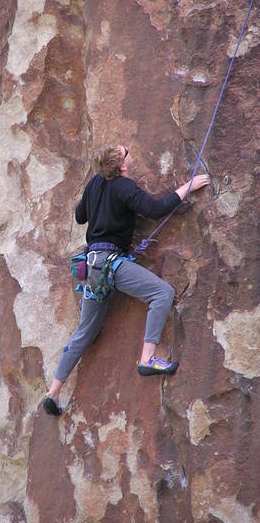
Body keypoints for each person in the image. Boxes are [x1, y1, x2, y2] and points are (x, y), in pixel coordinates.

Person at [43, 144, 210, 416]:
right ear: (122, 166)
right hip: (112, 264)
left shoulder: (95, 183)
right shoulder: (124, 187)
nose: (129, 153)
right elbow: (155, 209)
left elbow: (80, 216)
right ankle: (147, 358)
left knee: (85, 331)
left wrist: (96, 200)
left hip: (92, 266)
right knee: (162, 293)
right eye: (126, 153)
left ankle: (52, 393)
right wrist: (188, 187)